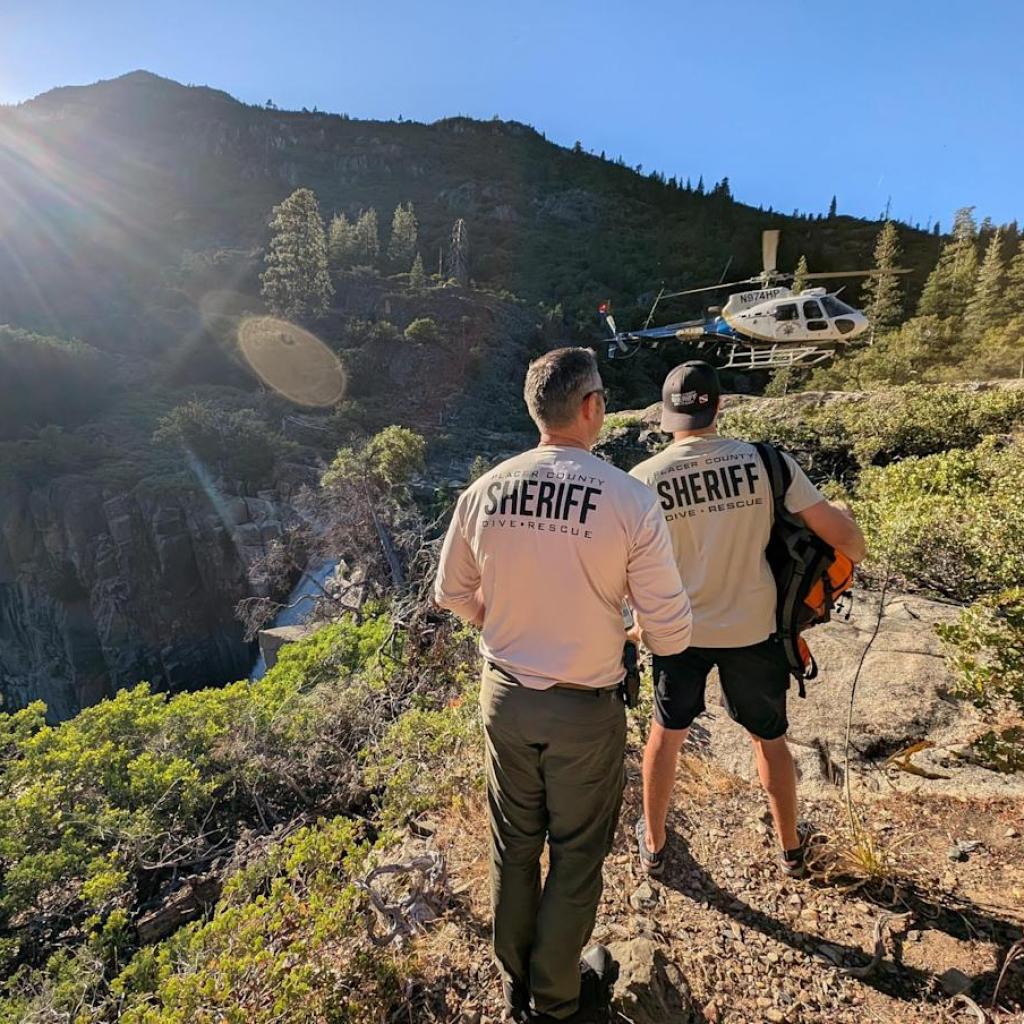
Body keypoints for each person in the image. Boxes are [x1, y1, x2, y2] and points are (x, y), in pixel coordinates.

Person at [434, 347, 692, 1023]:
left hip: (505, 699)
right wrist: (633, 634)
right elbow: (669, 630)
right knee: (577, 853)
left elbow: (450, 592)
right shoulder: (629, 498)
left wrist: (497, 619)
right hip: (584, 710)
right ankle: (557, 999)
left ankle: (514, 982)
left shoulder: (484, 490)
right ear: (591, 407)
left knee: (514, 844)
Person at [629, 361, 866, 879]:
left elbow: (627, 569)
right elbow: (847, 541)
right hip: (755, 628)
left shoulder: (641, 482)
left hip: (677, 631)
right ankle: (791, 849)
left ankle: (654, 844)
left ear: (667, 417)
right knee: (769, 739)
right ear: (719, 406)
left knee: (666, 735)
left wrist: (637, 625)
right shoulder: (767, 463)